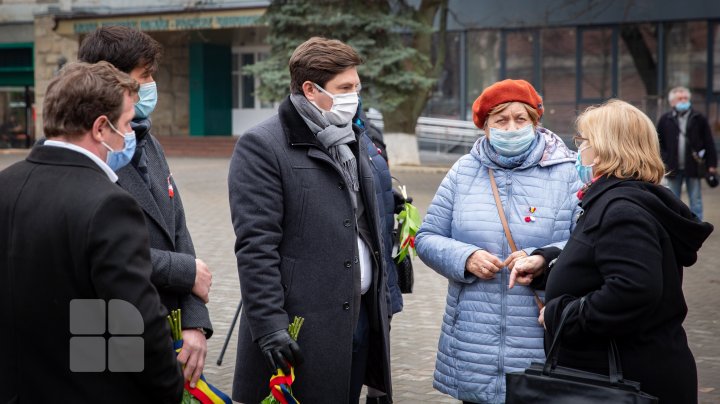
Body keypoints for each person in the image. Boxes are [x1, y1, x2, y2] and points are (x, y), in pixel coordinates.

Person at [0, 61, 183, 403]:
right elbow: (136, 319)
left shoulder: (5, 184)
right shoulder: (109, 204)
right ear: (101, 128)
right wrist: (169, 386)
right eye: (128, 123)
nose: (131, 134)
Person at [228, 37, 392, 403]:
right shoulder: (263, 145)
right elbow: (256, 247)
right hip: (301, 327)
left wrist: (386, 302)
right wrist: (271, 328)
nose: (355, 96)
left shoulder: (354, 138)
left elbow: (369, 228)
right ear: (310, 90)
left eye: (357, 87)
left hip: (360, 316)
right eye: (345, 88)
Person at [528, 99, 713, 403]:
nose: (579, 151)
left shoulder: (622, 209)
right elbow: (599, 262)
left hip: (628, 382)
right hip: (626, 375)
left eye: (583, 141)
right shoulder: (622, 199)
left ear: (605, 148)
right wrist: (549, 265)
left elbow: (633, 289)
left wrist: (561, 314)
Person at [415, 79, 583, 403]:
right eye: (501, 120)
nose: (511, 127)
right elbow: (427, 237)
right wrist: (465, 257)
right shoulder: (464, 171)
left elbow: (585, 242)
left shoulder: (567, 173)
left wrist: (541, 258)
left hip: (539, 336)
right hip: (473, 342)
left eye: (520, 119)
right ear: (485, 126)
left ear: (536, 122)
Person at [77, 26, 213, 387]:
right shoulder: (85, 152)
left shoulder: (145, 138)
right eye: (146, 76)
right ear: (112, 80)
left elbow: (178, 229)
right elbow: (102, 247)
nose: (153, 85)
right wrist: (184, 270)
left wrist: (195, 323)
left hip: (165, 328)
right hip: (108, 330)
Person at [354, 104, 404, 404]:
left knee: (376, 337)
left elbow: (381, 181)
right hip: (357, 270)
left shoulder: (366, 132)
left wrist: (394, 199)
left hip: (378, 263)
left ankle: (377, 394)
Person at [657, 86, 717, 220]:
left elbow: (708, 142)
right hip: (672, 167)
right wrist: (664, 159)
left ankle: (698, 225)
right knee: (672, 199)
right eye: (680, 98)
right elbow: (658, 142)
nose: (683, 101)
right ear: (672, 102)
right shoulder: (665, 119)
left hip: (694, 166)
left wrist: (711, 165)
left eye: (685, 98)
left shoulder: (698, 118)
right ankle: (675, 224)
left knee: (695, 199)